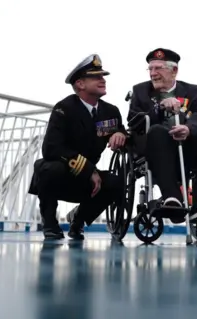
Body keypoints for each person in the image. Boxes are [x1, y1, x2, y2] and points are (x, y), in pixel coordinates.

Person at [28, 54, 127, 240]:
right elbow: (51, 148)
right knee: (49, 167)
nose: (103, 80)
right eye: (96, 77)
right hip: (62, 174)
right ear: (80, 84)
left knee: (116, 182)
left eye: (102, 76)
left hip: (88, 181)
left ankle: (78, 220)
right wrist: (89, 170)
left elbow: (121, 131)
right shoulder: (64, 109)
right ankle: (50, 223)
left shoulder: (110, 112)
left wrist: (120, 133)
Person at [127, 48, 197, 223]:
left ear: (174, 71)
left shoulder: (193, 92)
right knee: (158, 131)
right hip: (157, 151)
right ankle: (172, 198)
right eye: (150, 69)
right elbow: (133, 122)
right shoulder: (140, 91)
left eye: (158, 68)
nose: (153, 73)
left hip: (189, 147)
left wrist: (188, 129)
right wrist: (158, 109)